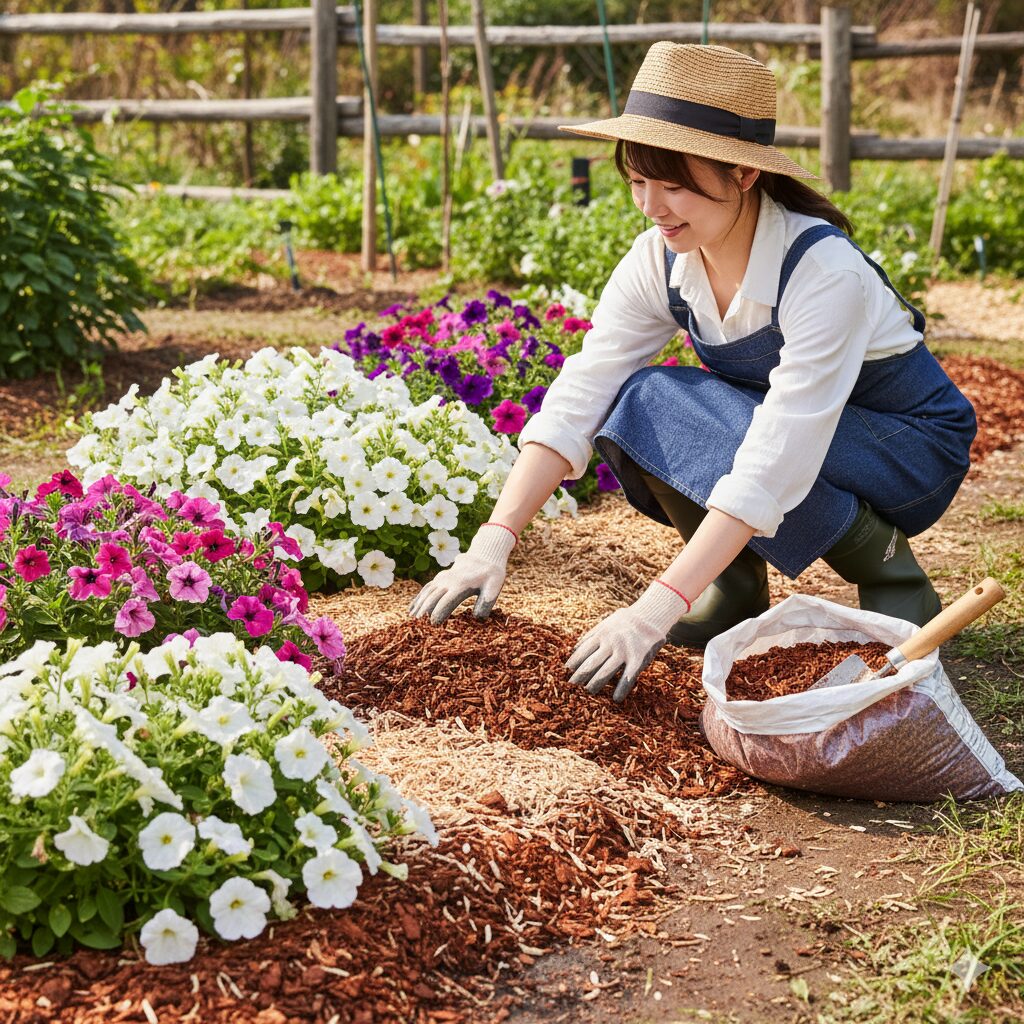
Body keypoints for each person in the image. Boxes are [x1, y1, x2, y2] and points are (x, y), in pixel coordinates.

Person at [409, 42, 977, 705]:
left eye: (674, 183)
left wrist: (655, 608)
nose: (652, 205)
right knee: (644, 399)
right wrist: (492, 542)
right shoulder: (662, 258)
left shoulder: (823, 270)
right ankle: (733, 589)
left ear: (741, 173)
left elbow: (780, 450)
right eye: (638, 180)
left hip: (905, 448)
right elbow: (582, 391)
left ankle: (894, 576)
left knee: (727, 430)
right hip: (795, 435)